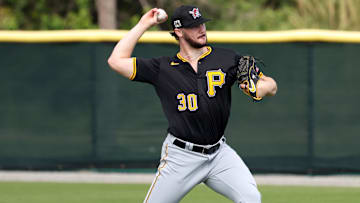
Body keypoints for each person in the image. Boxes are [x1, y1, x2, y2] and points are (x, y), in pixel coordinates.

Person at [108, 5, 277, 203]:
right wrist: (144, 23)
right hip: (181, 157)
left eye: (202, 23)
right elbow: (116, 61)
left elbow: (271, 85)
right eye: (194, 26)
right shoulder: (162, 68)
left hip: (218, 154)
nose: (201, 29)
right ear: (179, 32)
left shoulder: (227, 59)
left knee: (251, 198)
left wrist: (260, 88)